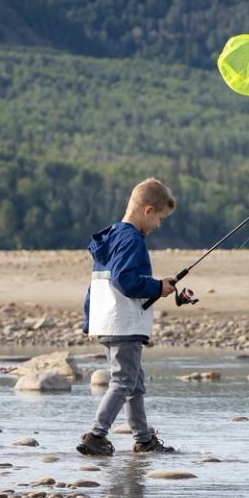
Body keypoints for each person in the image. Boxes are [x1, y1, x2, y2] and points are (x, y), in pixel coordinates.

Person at [78, 178, 179, 457]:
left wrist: (89, 321)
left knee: (134, 382)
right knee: (123, 382)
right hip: (124, 323)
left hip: (107, 322)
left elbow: (95, 286)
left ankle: (143, 439)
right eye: (159, 218)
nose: (158, 225)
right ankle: (96, 435)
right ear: (147, 211)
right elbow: (125, 280)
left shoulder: (110, 238)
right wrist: (158, 287)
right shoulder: (132, 239)